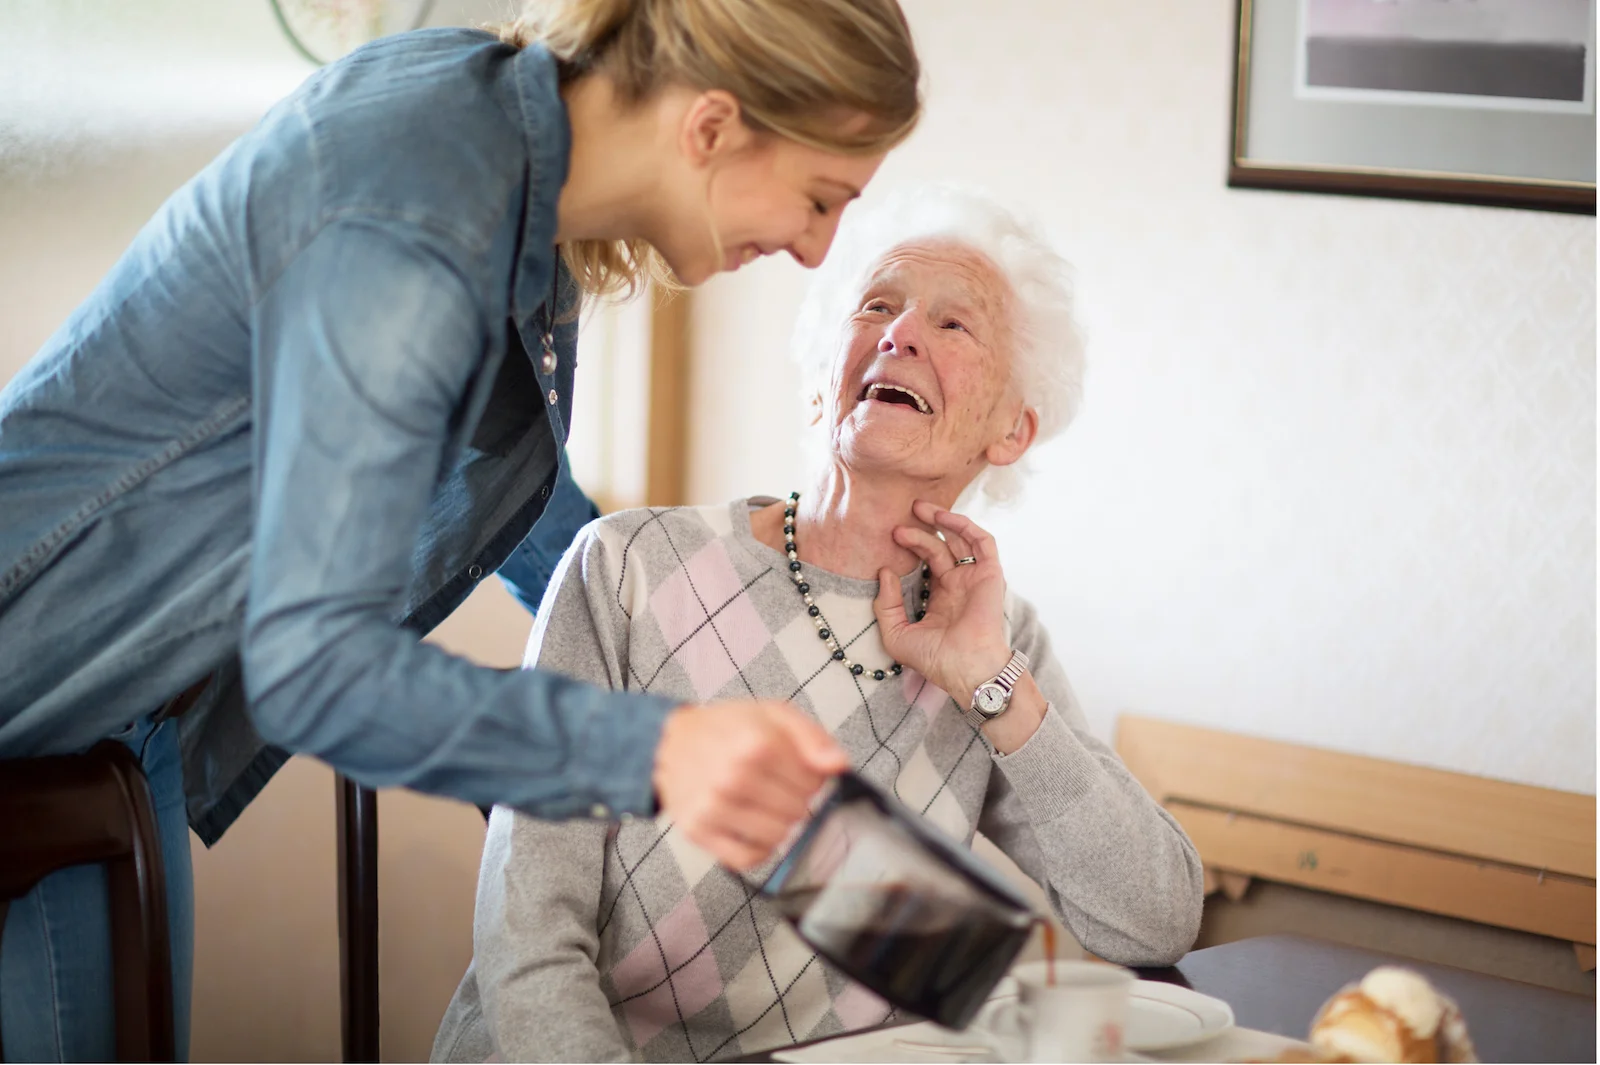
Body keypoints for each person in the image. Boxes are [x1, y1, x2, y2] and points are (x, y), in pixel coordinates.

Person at [0, 0, 920, 1058]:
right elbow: (315, 669)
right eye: (819, 198)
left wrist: (697, 682)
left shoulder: (512, 177)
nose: (818, 251)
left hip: (130, 725)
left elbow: (531, 516)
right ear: (711, 126)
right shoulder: (419, 217)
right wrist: (660, 748)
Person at [432, 187, 1205, 1064]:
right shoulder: (627, 566)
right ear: (818, 384)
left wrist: (993, 687)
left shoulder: (997, 640)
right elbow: (527, 930)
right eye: (877, 304)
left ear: (1010, 430)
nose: (899, 331)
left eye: (954, 325)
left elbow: (1153, 918)